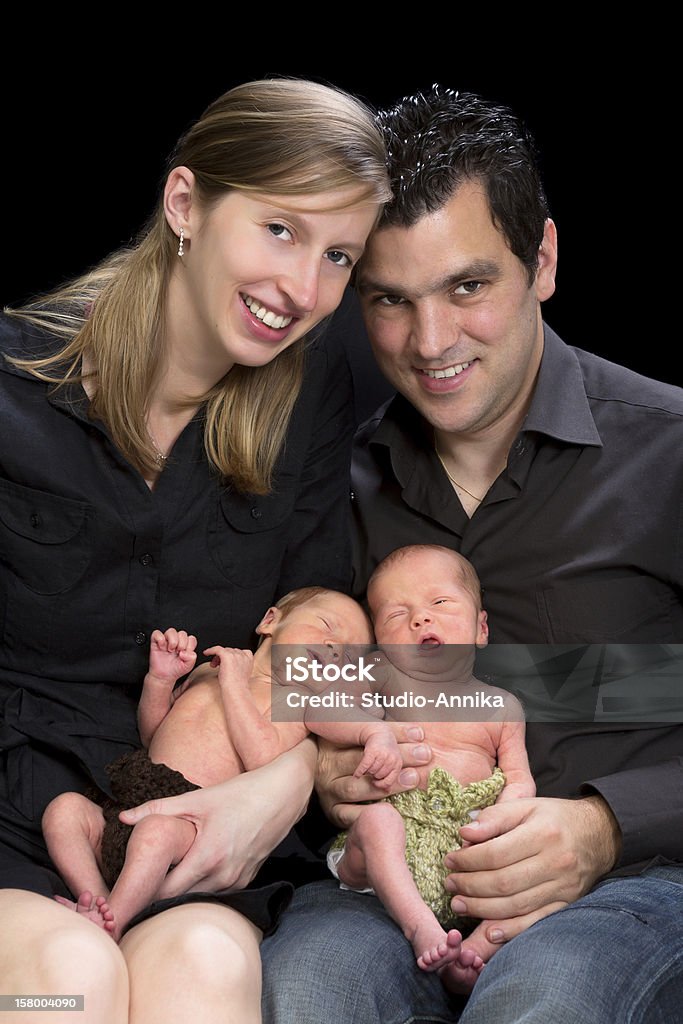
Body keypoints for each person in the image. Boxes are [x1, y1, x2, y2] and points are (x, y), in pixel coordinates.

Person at [260, 85, 683, 1023]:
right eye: (389, 301)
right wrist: (320, 772)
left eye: (467, 286)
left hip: (636, 887)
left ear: (542, 260)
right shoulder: (336, 486)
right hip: (390, 878)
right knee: (306, 987)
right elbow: (287, 683)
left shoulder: (668, 450)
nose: (431, 342)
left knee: (550, 993)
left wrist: (609, 825)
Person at [0, 76, 393, 1023]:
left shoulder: (308, 405)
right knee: (69, 982)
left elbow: (312, 650)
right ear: (185, 204)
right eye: (279, 230)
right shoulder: (12, 385)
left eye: (338, 255)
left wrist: (286, 780)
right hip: (15, 818)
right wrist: (50, 793)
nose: (303, 290)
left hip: (196, 821)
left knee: (209, 968)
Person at [42, 586, 401, 947]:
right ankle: (97, 898)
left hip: (188, 827)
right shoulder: (207, 672)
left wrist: (377, 735)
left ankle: (115, 922)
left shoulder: (295, 703)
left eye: (348, 654)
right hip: (129, 803)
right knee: (64, 811)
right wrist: (160, 682)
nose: (334, 646)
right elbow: (155, 735)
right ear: (270, 622)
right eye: (326, 625)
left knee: (155, 835)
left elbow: (261, 756)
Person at [326, 544, 535, 992]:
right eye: (397, 615)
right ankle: (418, 923)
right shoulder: (384, 674)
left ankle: (473, 952)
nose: (420, 618)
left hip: (465, 851)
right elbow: (320, 707)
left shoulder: (502, 708)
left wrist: (501, 825)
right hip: (384, 854)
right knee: (378, 821)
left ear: (481, 629)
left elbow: (519, 780)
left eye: (439, 603)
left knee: (527, 871)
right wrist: (368, 731)